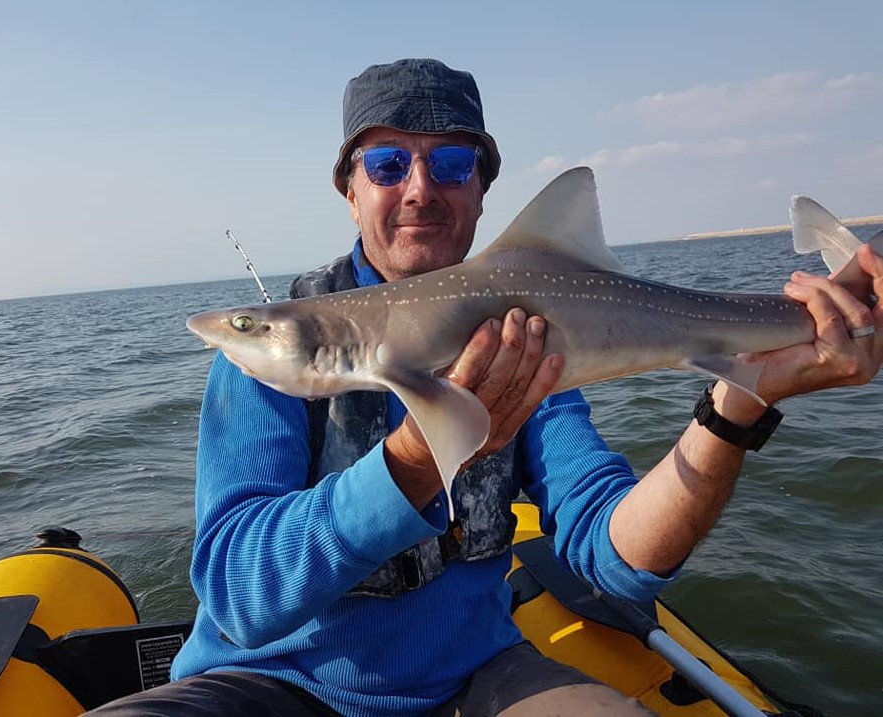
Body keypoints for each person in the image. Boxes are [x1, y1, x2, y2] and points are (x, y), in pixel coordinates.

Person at [85, 58, 883, 716]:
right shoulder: (262, 365)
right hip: (268, 684)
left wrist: (741, 398)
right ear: (351, 188)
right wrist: (415, 459)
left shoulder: (524, 342)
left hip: (473, 679)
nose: (420, 189)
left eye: (452, 162)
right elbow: (236, 595)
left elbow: (617, 561)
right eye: (388, 162)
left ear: (480, 189)